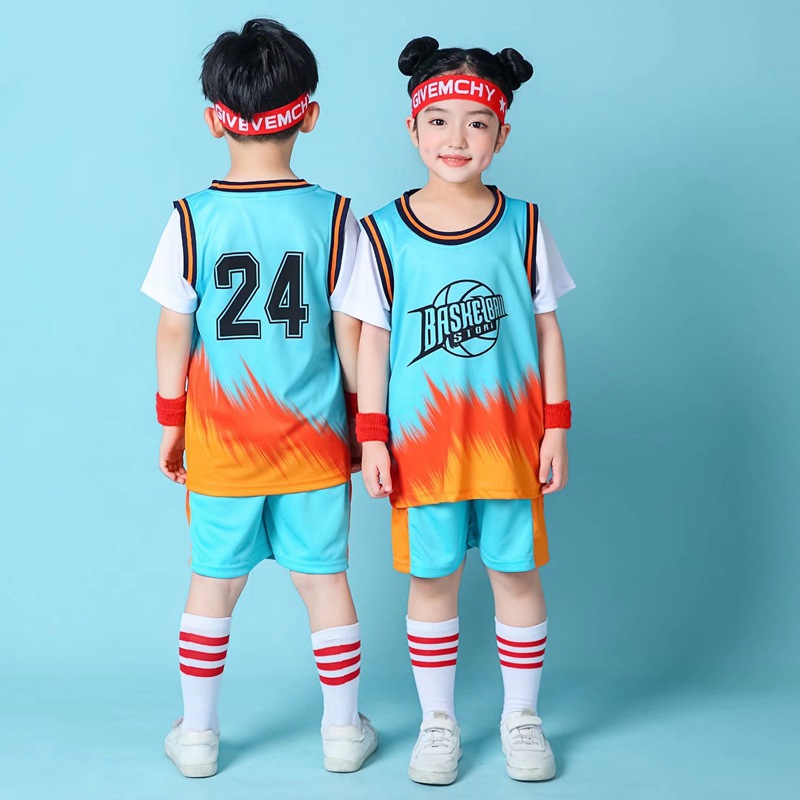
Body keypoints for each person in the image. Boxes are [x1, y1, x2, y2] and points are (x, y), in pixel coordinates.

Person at [140, 18, 376, 779]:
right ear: (310, 114)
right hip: (313, 444)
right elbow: (352, 339)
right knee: (324, 583)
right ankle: (342, 732)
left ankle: (198, 735)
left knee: (212, 584)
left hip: (221, 444)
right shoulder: (339, 216)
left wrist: (171, 422)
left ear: (215, 119)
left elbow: (173, 333)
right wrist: (364, 425)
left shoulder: (190, 217)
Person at [342, 36, 575, 785]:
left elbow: (546, 330)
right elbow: (372, 342)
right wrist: (371, 438)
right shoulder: (380, 232)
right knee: (432, 581)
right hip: (422, 448)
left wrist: (557, 427)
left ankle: (521, 717)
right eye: (438, 121)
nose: (456, 138)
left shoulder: (525, 225)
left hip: (510, 441)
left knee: (517, 574)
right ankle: (438, 722)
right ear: (412, 129)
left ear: (502, 134)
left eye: (477, 124)